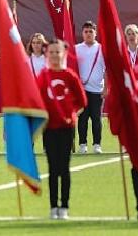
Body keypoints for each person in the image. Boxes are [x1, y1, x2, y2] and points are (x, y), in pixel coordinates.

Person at [37, 40, 87, 220]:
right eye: (51, 52)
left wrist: (71, 115)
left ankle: (64, 205)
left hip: (66, 128)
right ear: (47, 55)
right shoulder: (43, 76)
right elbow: (36, 101)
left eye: (57, 52)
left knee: (64, 168)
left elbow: (82, 102)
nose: (54, 56)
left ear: (63, 54)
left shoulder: (70, 76)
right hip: (49, 128)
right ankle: (53, 206)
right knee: (52, 168)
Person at [75, 21, 105, 154]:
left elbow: (108, 69)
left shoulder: (101, 49)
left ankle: (97, 144)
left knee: (96, 118)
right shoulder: (76, 48)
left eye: (91, 31)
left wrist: (106, 88)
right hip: (81, 90)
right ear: (82, 33)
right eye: (86, 31)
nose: (88, 34)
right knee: (82, 118)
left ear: (95, 33)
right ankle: (82, 144)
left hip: (97, 89)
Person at [124, 24, 138, 217]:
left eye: (134, 33)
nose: (131, 36)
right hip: (131, 105)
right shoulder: (122, 53)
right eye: (128, 33)